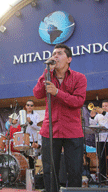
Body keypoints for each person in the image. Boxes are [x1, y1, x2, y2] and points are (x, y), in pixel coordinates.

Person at [33, 44, 87, 192]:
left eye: (59, 53)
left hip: (73, 130)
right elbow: (37, 94)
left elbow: (78, 101)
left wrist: (57, 92)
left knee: (75, 170)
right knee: (50, 170)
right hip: (50, 130)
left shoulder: (79, 78)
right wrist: (46, 72)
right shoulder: (48, 75)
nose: (55, 56)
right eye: (54, 53)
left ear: (69, 59)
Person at [89, 99, 108, 185]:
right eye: (103, 106)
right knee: (101, 159)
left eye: (106, 106)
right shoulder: (98, 115)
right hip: (100, 139)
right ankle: (102, 178)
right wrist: (92, 117)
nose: (104, 108)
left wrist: (103, 112)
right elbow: (92, 123)